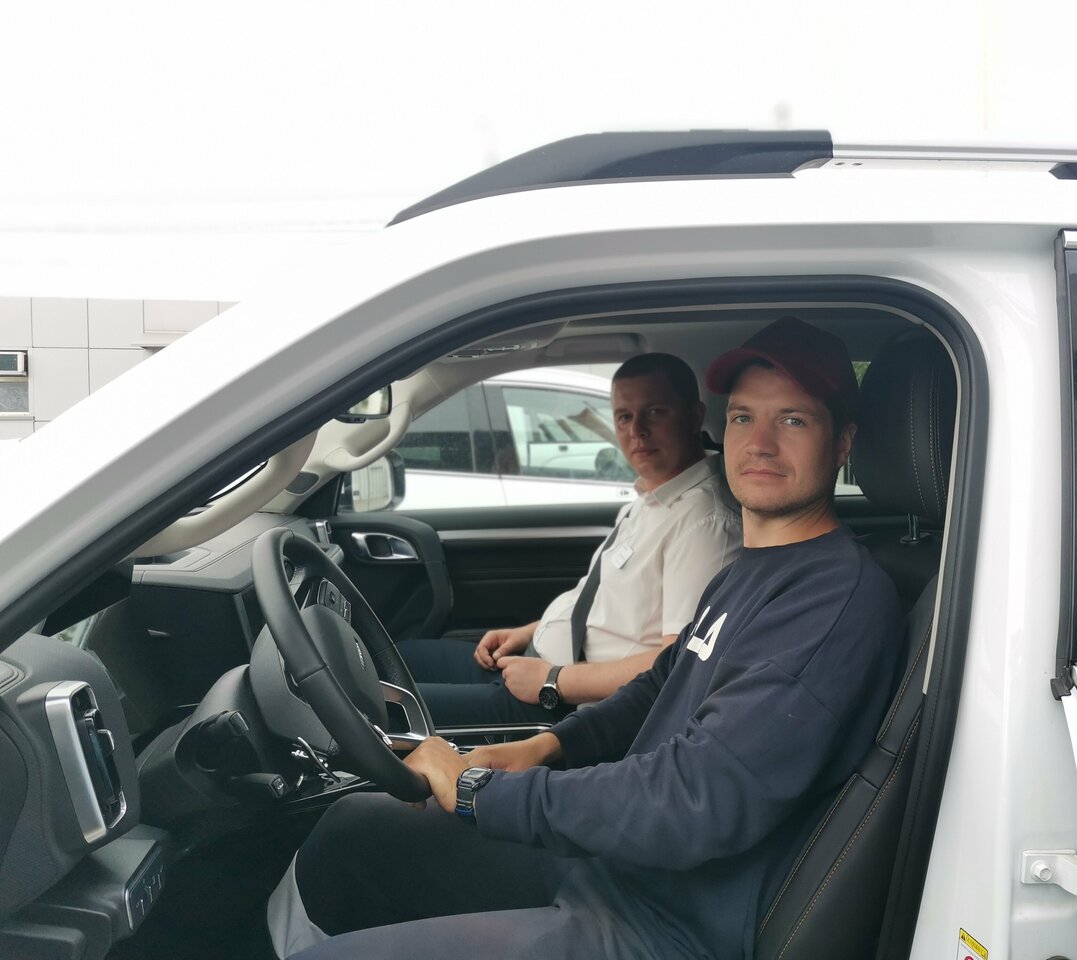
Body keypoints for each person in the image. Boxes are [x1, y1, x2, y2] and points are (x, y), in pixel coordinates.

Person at [270, 317, 904, 960]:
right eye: (744, 417)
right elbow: (659, 687)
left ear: (843, 443)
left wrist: (479, 791)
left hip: (665, 925)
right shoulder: (752, 568)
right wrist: (544, 747)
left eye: (793, 419)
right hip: (620, 865)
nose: (760, 442)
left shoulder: (833, 601)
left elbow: (695, 798)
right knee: (353, 831)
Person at [397, 352, 742, 726]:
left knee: (381, 708)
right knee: (396, 658)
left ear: (693, 416)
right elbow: (604, 605)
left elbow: (679, 664)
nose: (637, 431)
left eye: (655, 412)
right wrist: (527, 633)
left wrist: (552, 681)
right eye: (624, 417)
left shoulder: (705, 523)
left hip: (568, 705)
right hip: (538, 666)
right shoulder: (655, 497)